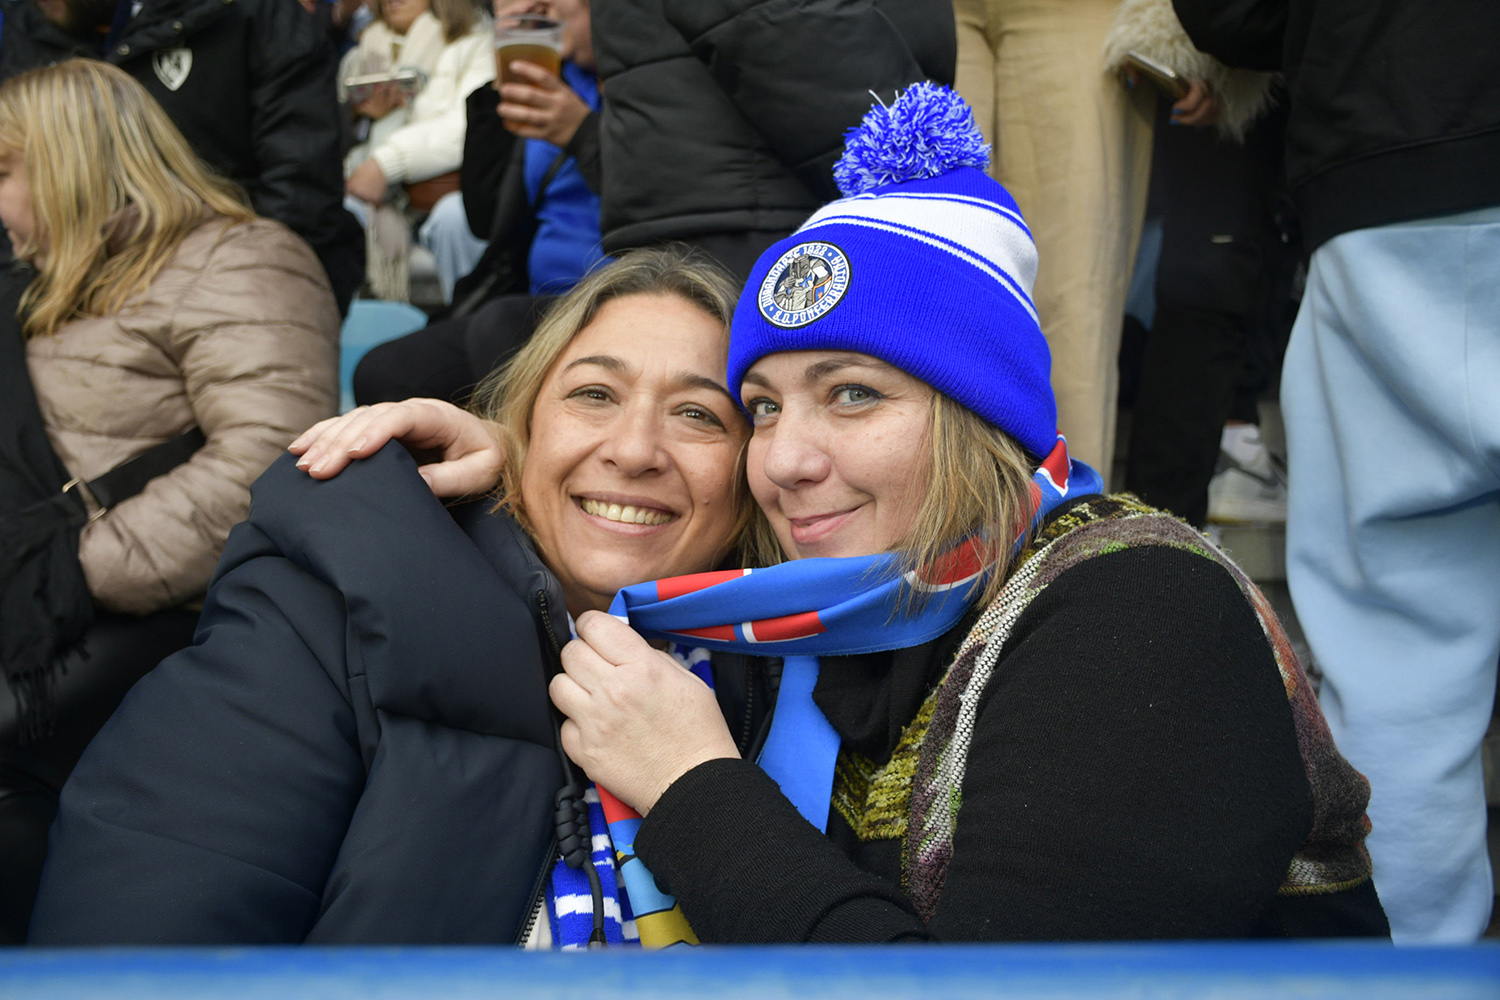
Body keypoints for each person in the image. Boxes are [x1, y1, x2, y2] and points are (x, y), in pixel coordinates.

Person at [276, 86, 1388, 941]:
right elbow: (653, 547)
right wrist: (524, 480)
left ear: (979, 416)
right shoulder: (826, 608)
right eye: (759, 407)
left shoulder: (1143, 608)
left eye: (855, 393)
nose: (788, 461)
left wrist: (693, 790)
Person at [28, 246, 760, 946]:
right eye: (593, 395)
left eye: (698, 414)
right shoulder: (323, 619)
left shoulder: (792, 674)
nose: (634, 450)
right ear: (522, 426)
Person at [1172, 0, 1500, 943]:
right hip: (1387, 170)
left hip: (1390, 165)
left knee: (1398, 653)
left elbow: (1233, 15)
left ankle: (1412, 971)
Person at [0, 59, 339, 942]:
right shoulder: (45, 287)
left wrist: (67, 574)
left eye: (4, 170)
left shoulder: (240, 256)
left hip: (129, 621)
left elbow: (267, 461)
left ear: (70, 162)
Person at [0, 0, 365, 314]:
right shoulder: (24, 24)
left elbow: (301, 190)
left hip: (231, 297)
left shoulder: (251, 15)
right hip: (60, 306)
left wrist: (212, 298)